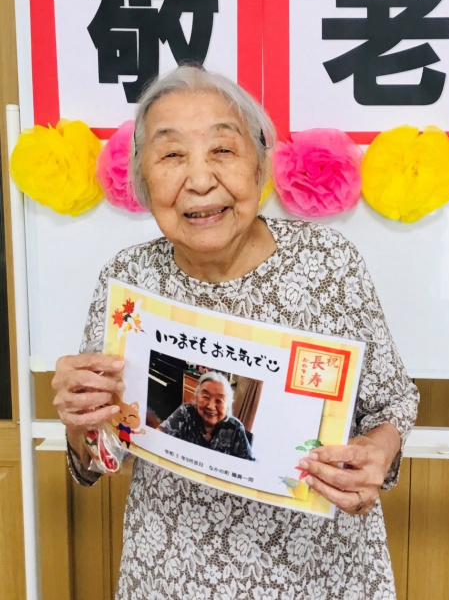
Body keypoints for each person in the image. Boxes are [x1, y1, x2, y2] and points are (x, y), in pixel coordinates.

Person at [51, 65, 419, 600]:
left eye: (222, 150)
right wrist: (82, 423)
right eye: (172, 155)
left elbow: (392, 403)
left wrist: (379, 449)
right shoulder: (129, 282)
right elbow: (108, 453)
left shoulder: (328, 263)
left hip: (319, 579)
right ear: (142, 178)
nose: (200, 180)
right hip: (169, 581)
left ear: (260, 163)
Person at [159, 371, 254, 460]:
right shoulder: (185, 412)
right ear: (196, 397)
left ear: (228, 405)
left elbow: (249, 466)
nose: (211, 406)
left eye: (219, 401)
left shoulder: (235, 428)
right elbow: (158, 437)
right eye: (205, 397)